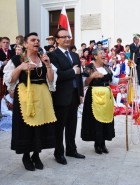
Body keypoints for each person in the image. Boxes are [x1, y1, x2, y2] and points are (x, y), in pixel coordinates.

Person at [3, 32, 57, 171]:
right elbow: (10, 80)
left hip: (42, 96)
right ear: (25, 44)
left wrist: (49, 66)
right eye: (32, 40)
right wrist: (20, 67)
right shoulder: (17, 59)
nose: (36, 42)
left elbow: (51, 80)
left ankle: (36, 154)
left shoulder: (44, 58)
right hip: (25, 96)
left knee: (40, 125)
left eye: (38, 40)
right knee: (26, 126)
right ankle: (26, 155)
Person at [81, 49, 129, 154]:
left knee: (105, 119)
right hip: (94, 96)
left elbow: (113, 81)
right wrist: (92, 76)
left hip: (107, 96)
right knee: (96, 120)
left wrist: (125, 79)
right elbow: (84, 83)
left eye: (104, 53)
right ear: (95, 56)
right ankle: (97, 143)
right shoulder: (90, 67)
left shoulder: (106, 67)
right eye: (101, 53)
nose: (104, 55)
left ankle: (103, 143)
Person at [50, 28, 85, 165]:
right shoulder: (53, 55)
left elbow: (79, 76)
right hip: (61, 96)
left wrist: (81, 93)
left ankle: (71, 149)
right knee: (59, 127)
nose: (67, 39)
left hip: (74, 96)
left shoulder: (74, 55)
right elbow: (56, 76)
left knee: (72, 125)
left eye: (68, 36)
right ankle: (58, 152)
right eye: (63, 37)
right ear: (57, 40)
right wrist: (72, 71)